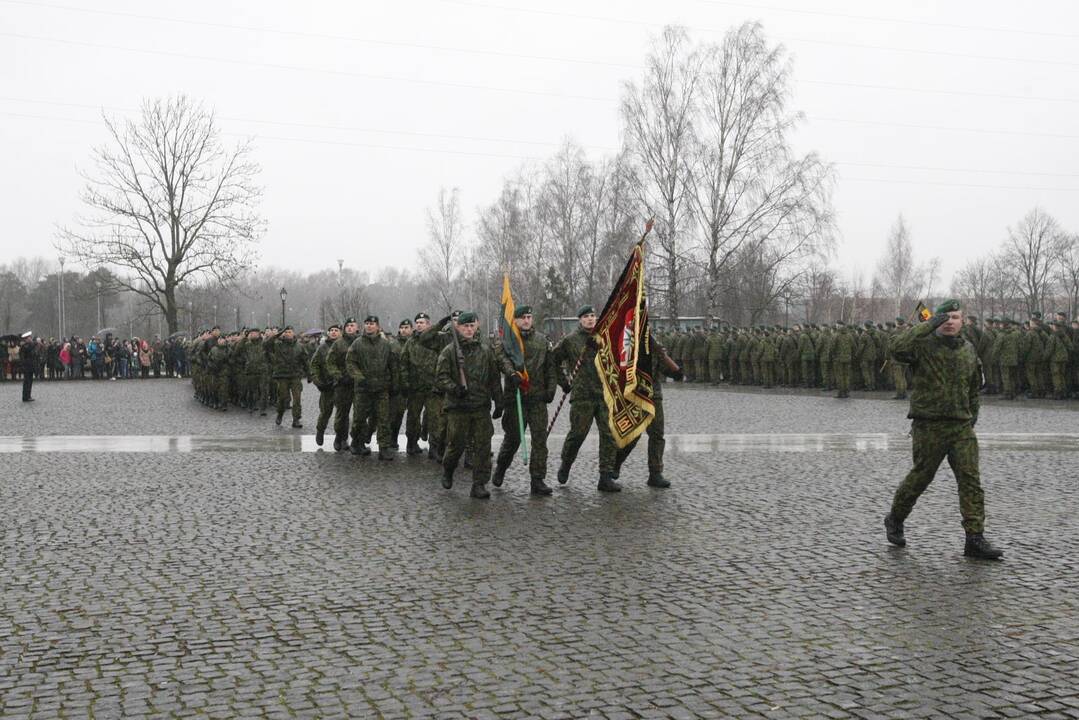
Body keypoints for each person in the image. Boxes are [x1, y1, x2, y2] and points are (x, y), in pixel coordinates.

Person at [883, 299, 1003, 560]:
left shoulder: (968, 349)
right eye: (944, 317)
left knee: (971, 481)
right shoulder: (921, 346)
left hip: (960, 427)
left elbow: (973, 388)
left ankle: (975, 538)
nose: (950, 322)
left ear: (963, 321)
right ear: (936, 321)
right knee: (921, 477)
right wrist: (928, 325)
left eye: (956, 317)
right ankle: (895, 518)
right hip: (929, 425)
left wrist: (972, 417)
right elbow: (895, 347)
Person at [552, 305, 621, 492]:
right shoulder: (570, 340)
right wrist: (564, 382)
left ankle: (605, 476)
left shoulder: (604, 337)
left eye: (593, 316)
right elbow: (553, 360)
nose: (590, 319)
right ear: (580, 320)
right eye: (586, 316)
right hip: (582, 395)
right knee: (578, 434)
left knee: (608, 435)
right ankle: (566, 463)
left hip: (603, 394)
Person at [435, 311, 503, 499]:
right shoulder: (449, 351)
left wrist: (499, 401)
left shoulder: (485, 351)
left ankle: (479, 484)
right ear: (458, 327)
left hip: (480, 407)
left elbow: (494, 378)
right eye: (465, 326)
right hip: (458, 408)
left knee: (482, 446)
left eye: (472, 326)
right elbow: (440, 377)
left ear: (477, 326)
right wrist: (455, 388)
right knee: (456, 445)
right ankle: (448, 470)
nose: (468, 329)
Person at [492, 305, 557, 496]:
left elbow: (550, 368)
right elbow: (501, 359)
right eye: (523, 318)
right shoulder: (508, 341)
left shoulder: (542, 341)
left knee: (540, 441)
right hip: (516, 398)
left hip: (537, 400)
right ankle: (501, 468)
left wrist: (551, 390)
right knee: (512, 439)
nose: (527, 320)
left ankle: (537, 480)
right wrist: (512, 374)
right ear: (516, 320)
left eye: (529, 317)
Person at [345, 315, 396, 459]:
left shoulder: (386, 344)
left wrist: (394, 383)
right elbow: (350, 363)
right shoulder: (357, 344)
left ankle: (384, 448)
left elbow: (392, 365)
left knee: (383, 419)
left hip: (381, 388)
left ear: (378, 326)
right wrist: (360, 378)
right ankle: (357, 442)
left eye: (372, 323)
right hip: (363, 389)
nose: (369, 326)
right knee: (359, 419)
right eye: (367, 323)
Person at [327, 318, 359, 451]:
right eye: (348, 326)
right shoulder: (338, 344)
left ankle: (357, 440)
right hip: (343, 384)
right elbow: (330, 362)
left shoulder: (360, 343)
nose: (350, 328)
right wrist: (339, 376)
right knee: (342, 414)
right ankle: (340, 437)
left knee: (359, 414)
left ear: (357, 328)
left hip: (358, 384)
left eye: (352, 326)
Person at [309, 324, 340, 446]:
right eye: (331, 330)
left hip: (341, 386)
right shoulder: (322, 348)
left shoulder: (344, 346)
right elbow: (314, 364)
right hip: (327, 386)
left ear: (340, 333)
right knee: (325, 412)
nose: (333, 332)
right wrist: (317, 381)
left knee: (342, 414)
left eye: (336, 330)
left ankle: (341, 437)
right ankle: (320, 431)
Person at [271, 326, 307, 428]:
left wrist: (309, 374)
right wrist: (277, 335)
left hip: (295, 375)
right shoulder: (278, 345)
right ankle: (280, 414)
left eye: (289, 332)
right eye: (285, 332)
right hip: (282, 375)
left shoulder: (299, 346)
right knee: (283, 398)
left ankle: (296, 419)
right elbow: (266, 344)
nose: (287, 334)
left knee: (297, 399)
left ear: (293, 333)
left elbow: (305, 360)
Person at [19, 331, 35, 401]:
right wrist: (23, 366)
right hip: (26, 366)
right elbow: (22, 357)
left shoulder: (30, 345)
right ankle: (25, 397)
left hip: (30, 366)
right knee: (27, 382)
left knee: (30, 382)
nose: (30, 339)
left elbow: (33, 353)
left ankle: (28, 395)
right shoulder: (24, 346)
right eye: (29, 338)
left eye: (30, 337)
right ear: (26, 339)